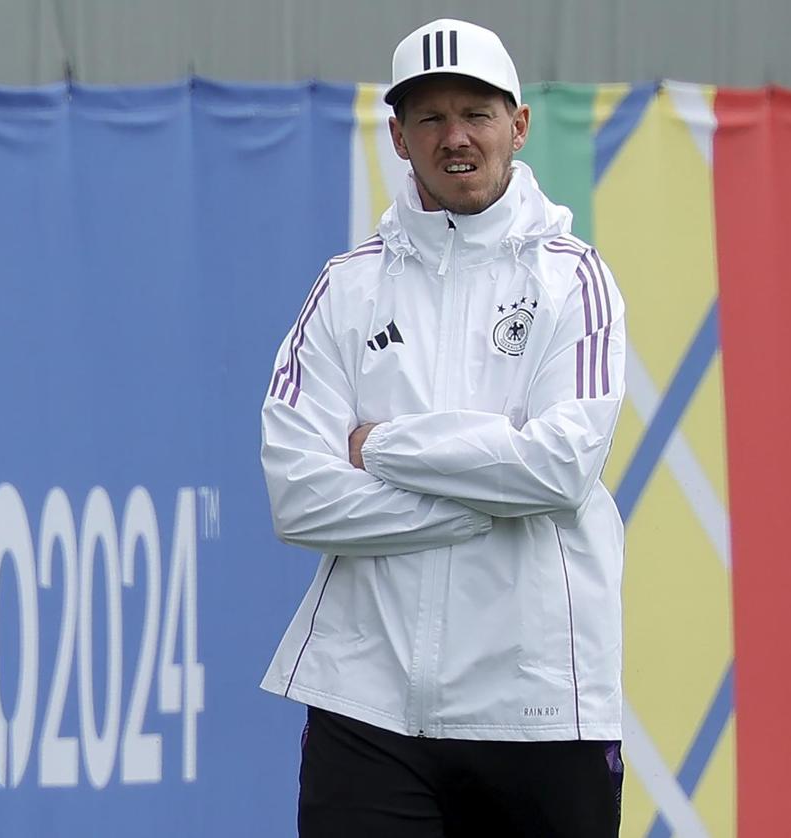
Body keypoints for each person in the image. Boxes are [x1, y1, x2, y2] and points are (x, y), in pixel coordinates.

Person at [259, 17, 627, 838]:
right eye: (428, 117)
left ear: (518, 126)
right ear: (397, 135)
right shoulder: (344, 291)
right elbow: (299, 500)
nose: (454, 138)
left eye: (476, 113)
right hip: (370, 706)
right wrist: (482, 499)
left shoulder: (575, 281)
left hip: (538, 707)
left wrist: (382, 447)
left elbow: (559, 470)